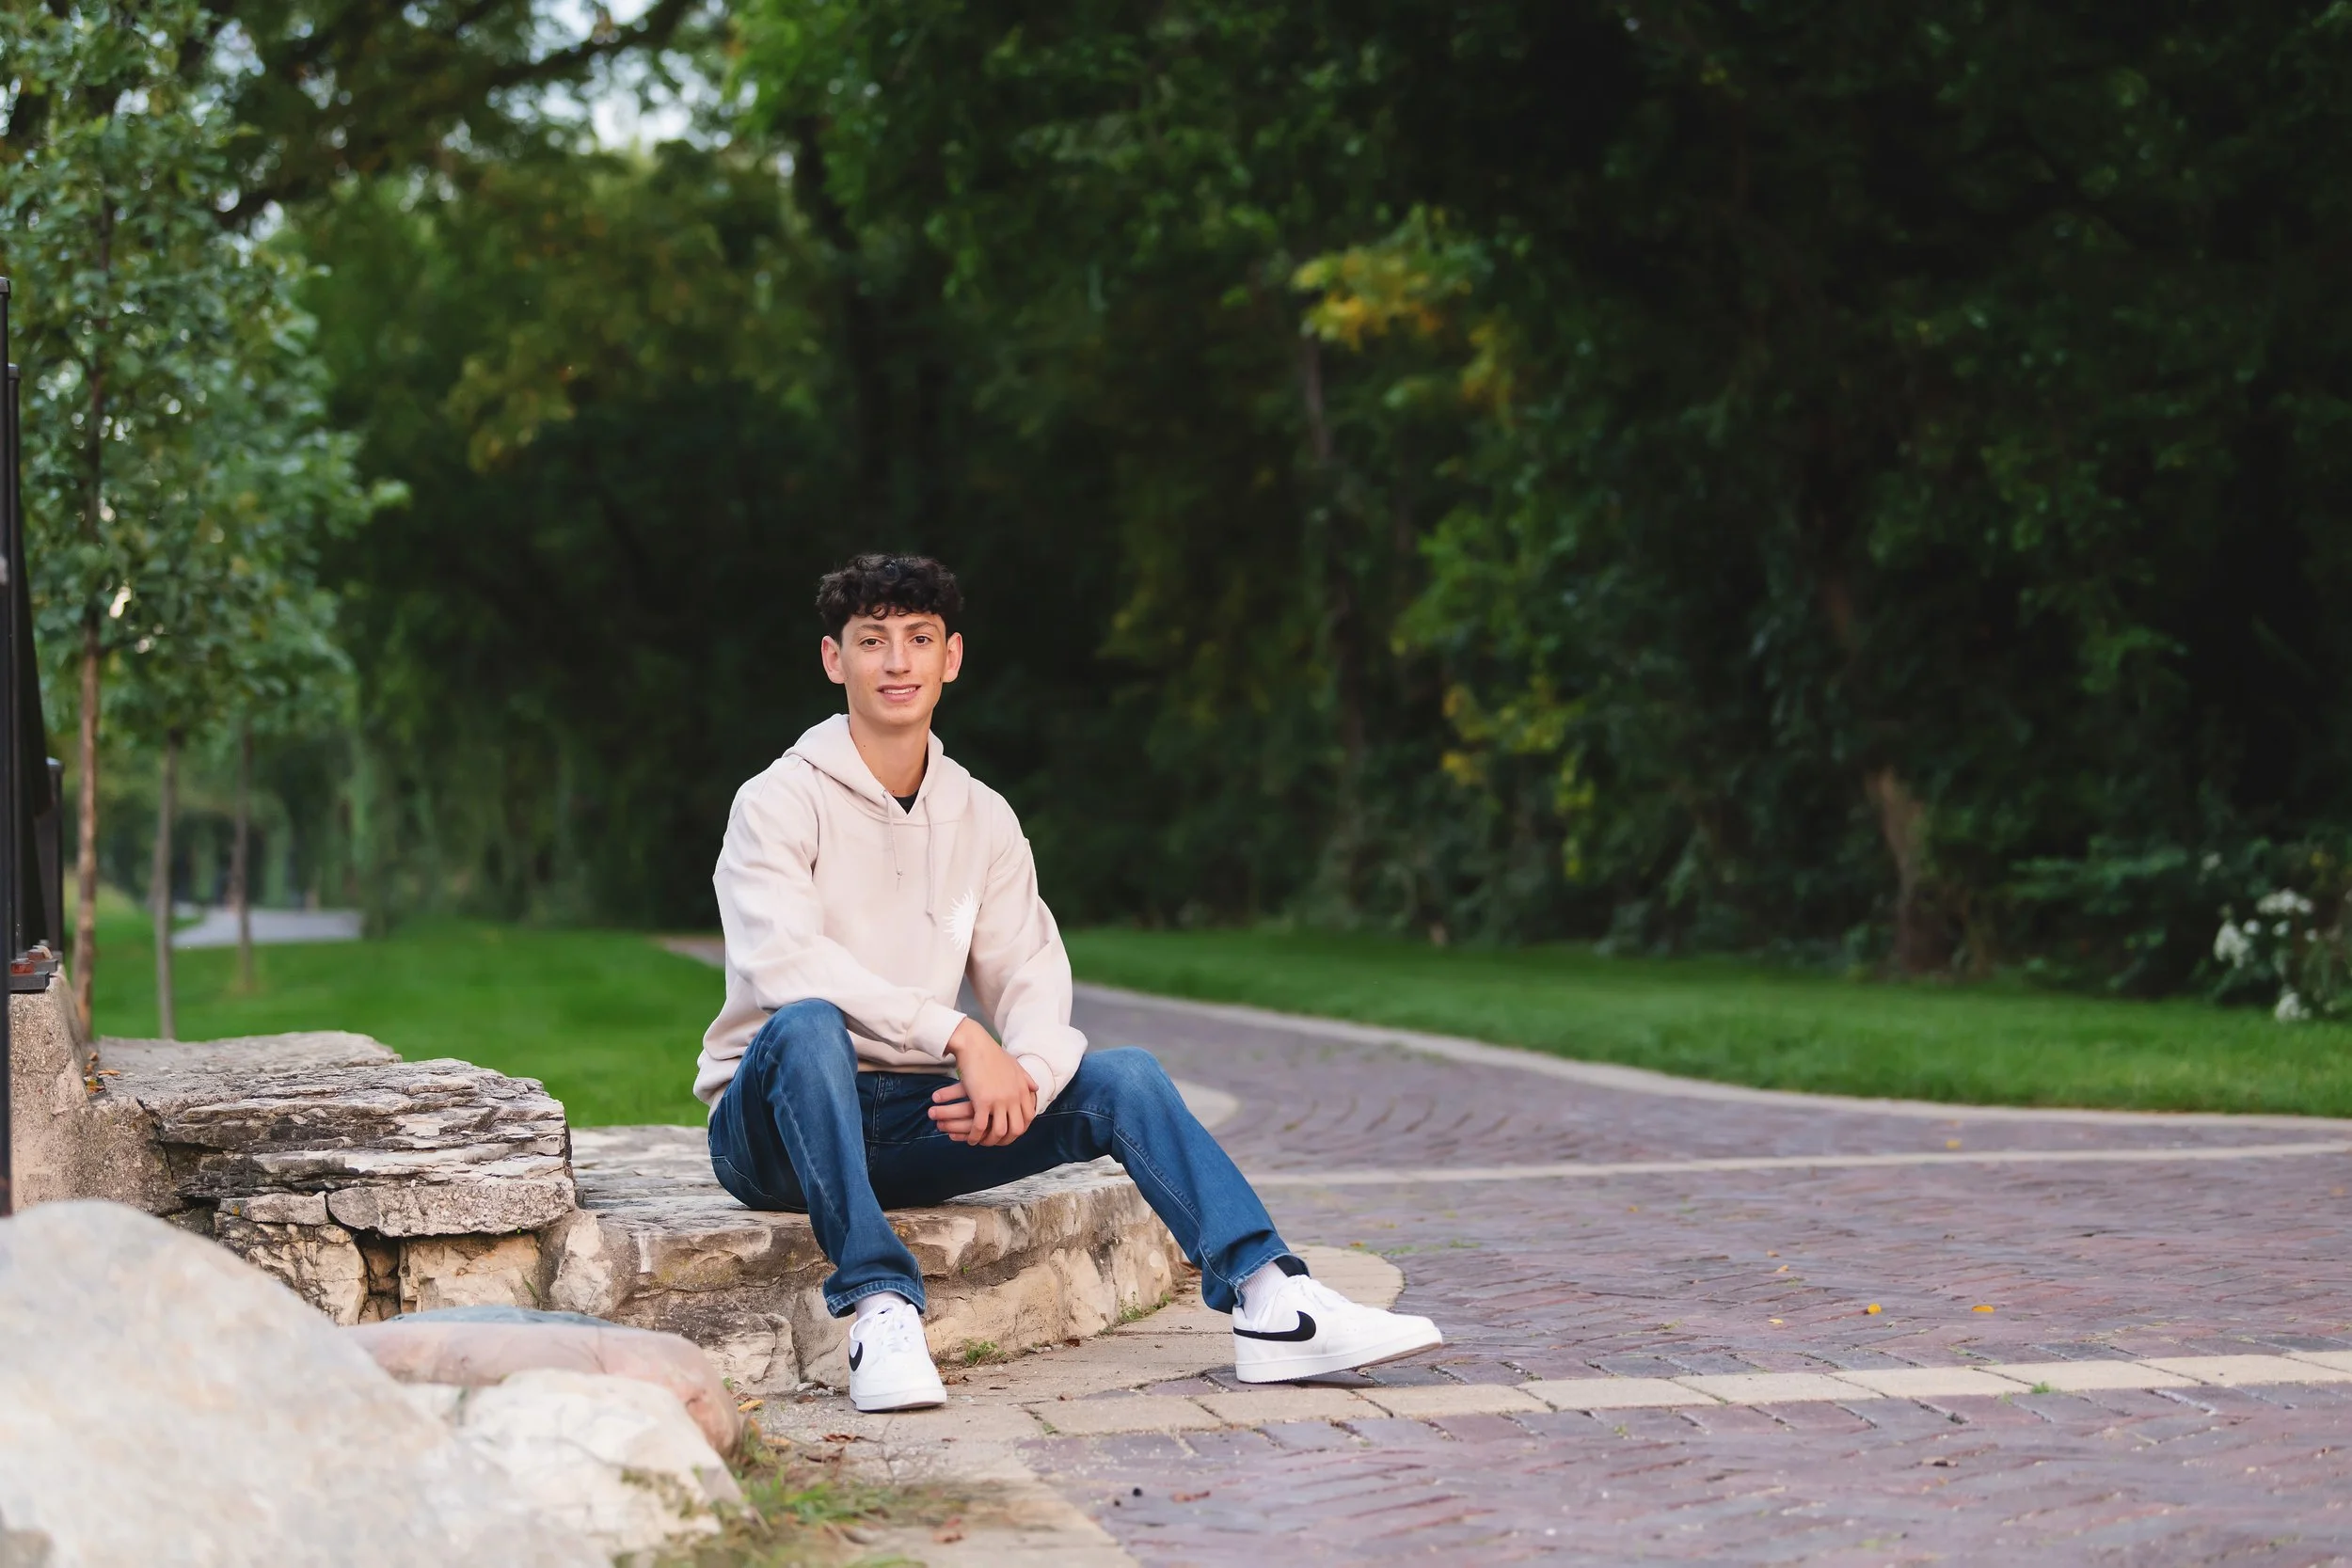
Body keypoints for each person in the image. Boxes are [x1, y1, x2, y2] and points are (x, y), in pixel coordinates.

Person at [698, 553, 1443, 1412]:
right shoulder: (776, 800)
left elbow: (1030, 972)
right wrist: (962, 1036)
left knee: (1123, 1075)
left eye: (919, 639)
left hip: (912, 1121)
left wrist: (1029, 1077)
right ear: (836, 660)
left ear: (953, 657)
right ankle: (880, 1306)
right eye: (873, 641)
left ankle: (1272, 1298)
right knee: (808, 1023)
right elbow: (786, 963)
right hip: (773, 1130)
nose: (897, 662)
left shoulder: (983, 816)